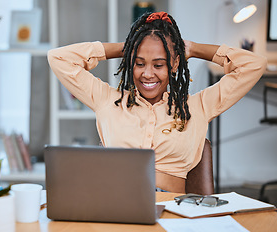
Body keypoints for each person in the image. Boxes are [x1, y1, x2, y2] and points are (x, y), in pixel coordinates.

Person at [47, 12, 267, 193]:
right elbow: (58, 58)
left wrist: (193, 48)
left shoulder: (198, 107)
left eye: (159, 65)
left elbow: (255, 64)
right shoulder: (107, 100)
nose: (147, 74)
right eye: (139, 63)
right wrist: (127, 48)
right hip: (116, 205)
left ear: (174, 64)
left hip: (173, 210)